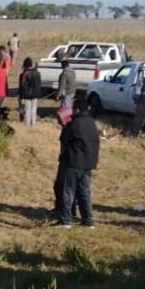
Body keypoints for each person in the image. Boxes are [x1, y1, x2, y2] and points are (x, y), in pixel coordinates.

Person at [54, 98, 99, 229]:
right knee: (84, 192)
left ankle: (66, 220)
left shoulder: (74, 124)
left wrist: (61, 156)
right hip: (88, 163)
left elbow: (64, 142)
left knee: (67, 191)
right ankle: (88, 221)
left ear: (77, 109)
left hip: (73, 162)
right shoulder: (92, 123)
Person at [17, 58, 42, 127]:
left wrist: (20, 94)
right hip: (35, 95)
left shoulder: (24, 74)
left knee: (27, 111)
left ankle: (27, 126)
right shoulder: (37, 73)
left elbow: (22, 86)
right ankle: (33, 125)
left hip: (26, 96)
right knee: (33, 111)